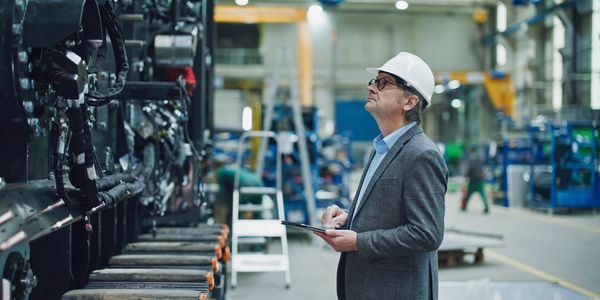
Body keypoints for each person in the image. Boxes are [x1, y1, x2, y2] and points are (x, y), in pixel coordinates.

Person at [315, 52, 448, 300]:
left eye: (383, 83)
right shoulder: (382, 148)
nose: (371, 87)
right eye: (374, 81)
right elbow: (388, 211)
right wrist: (349, 217)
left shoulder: (421, 154)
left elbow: (427, 233)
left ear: (409, 102)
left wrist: (358, 242)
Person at [460, 148, 489, 213]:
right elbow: (483, 168)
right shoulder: (479, 158)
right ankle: (486, 207)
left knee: (468, 195)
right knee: (483, 195)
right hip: (479, 180)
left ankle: (464, 207)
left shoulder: (471, 159)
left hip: (472, 181)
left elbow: (469, 169)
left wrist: (465, 176)